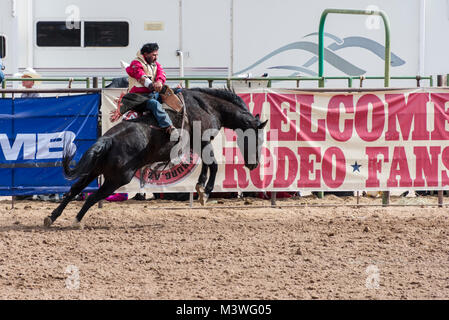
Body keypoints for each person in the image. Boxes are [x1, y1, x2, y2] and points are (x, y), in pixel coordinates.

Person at [111, 43, 178, 137]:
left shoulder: (155, 64)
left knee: (178, 92)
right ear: (146, 54)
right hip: (138, 99)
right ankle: (168, 127)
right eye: (154, 55)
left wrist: (159, 81)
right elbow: (140, 76)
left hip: (152, 94)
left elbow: (161, 73)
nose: (156, 57)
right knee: (154, 104)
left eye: (157, 55)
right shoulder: (136, 63)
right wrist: (151, 85)